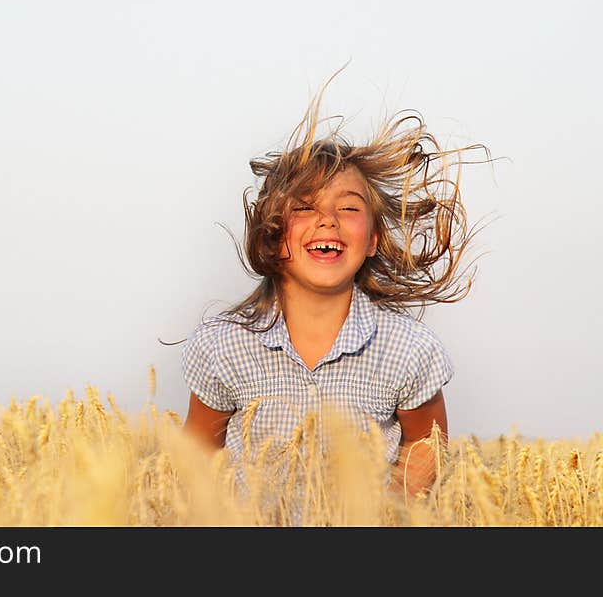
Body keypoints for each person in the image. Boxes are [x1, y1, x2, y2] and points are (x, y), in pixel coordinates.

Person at [181, 78, 493, 503]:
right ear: (273, 236)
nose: (328, 220)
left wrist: (384, 518)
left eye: (348, 208)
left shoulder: (407, 349)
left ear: (373, 240)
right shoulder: (223, 345)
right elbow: (197, 459)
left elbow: (425, 450)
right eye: (305, 207)